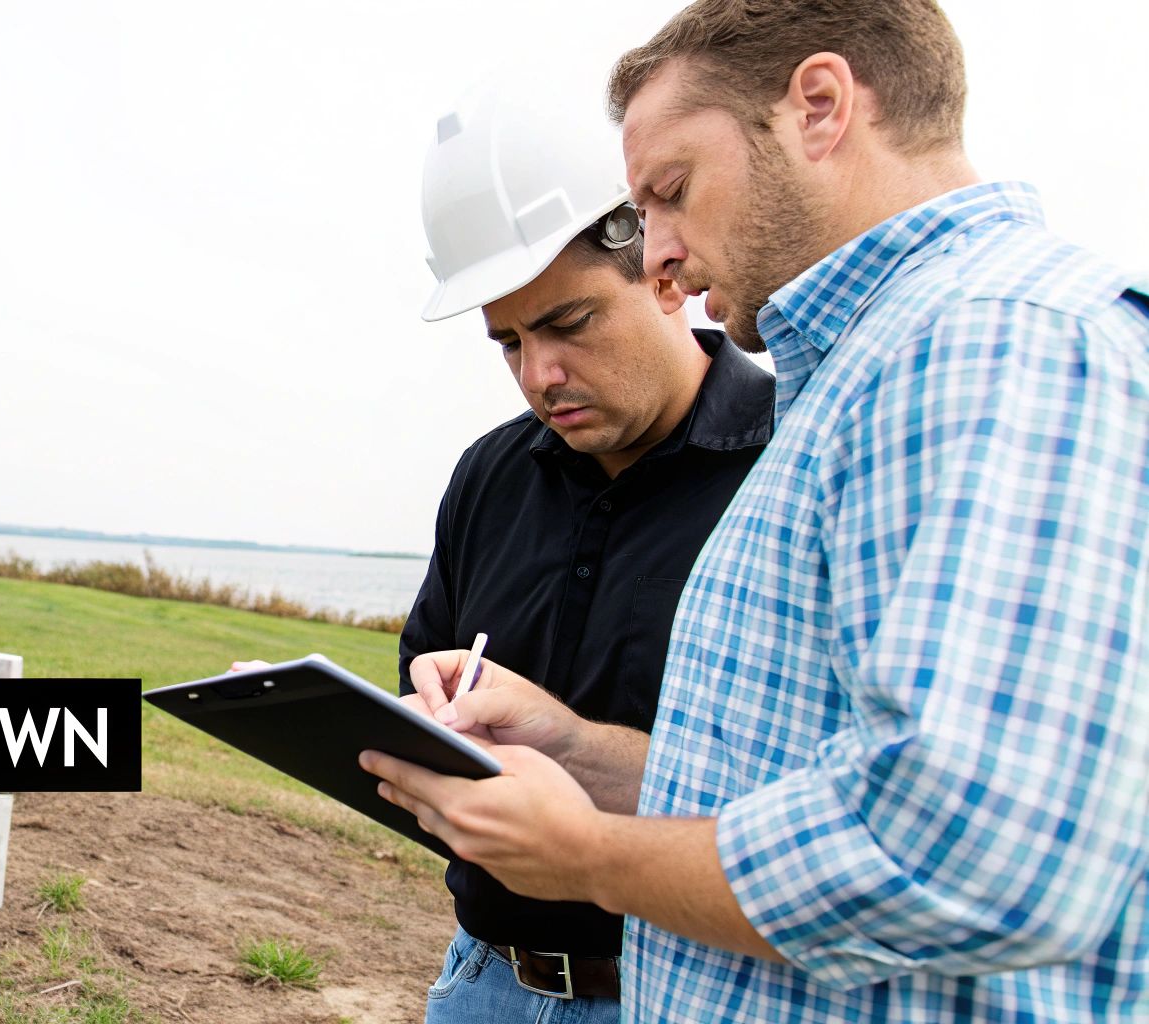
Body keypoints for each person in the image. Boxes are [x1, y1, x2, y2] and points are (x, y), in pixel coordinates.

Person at [364, 1, 1149, 1021]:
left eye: (671, 193)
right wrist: (568, 746)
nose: (663, 260)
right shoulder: (864, 371)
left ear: (819, 108)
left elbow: (964, 856)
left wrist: (587, 854)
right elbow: (771, 782)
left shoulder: (1000, 340)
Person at [400, 75, 772, 1022]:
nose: (540, 375)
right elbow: (424, 667)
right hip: (480, 979)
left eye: (567, 325)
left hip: (683, 993)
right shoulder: (489, 473)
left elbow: (807, 799)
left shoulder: (790, 459)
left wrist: (574, 748)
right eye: (508, 343)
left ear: (663, 272)